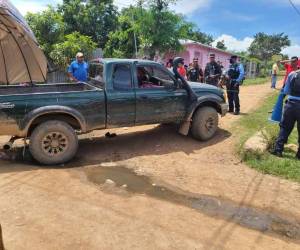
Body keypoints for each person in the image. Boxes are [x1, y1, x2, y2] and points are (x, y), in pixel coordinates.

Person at [271, 69, 300, 159]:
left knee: (285, 127)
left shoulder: (292, 74)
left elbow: (286, 90)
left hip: (291, 104)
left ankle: (278, 150)